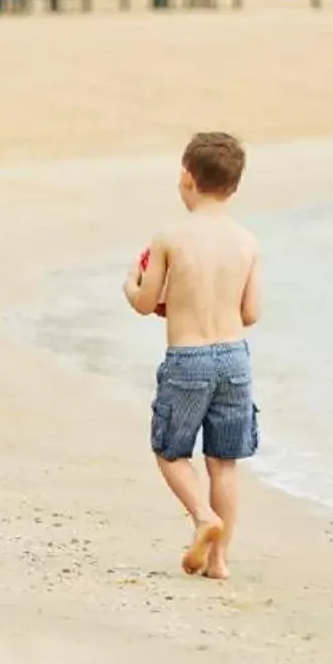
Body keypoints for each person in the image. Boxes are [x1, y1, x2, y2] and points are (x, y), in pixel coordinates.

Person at [124, 132, 261, 581]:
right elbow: (251, 312)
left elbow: (146, 303)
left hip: (188, 359)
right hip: (235, 359)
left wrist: (132, 281)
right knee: (223, 462)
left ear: (186, 177)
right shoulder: (247, 241)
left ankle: (202, 515)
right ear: (235, 187)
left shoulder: (169, 238)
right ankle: (220, 562)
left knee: (170, 450)